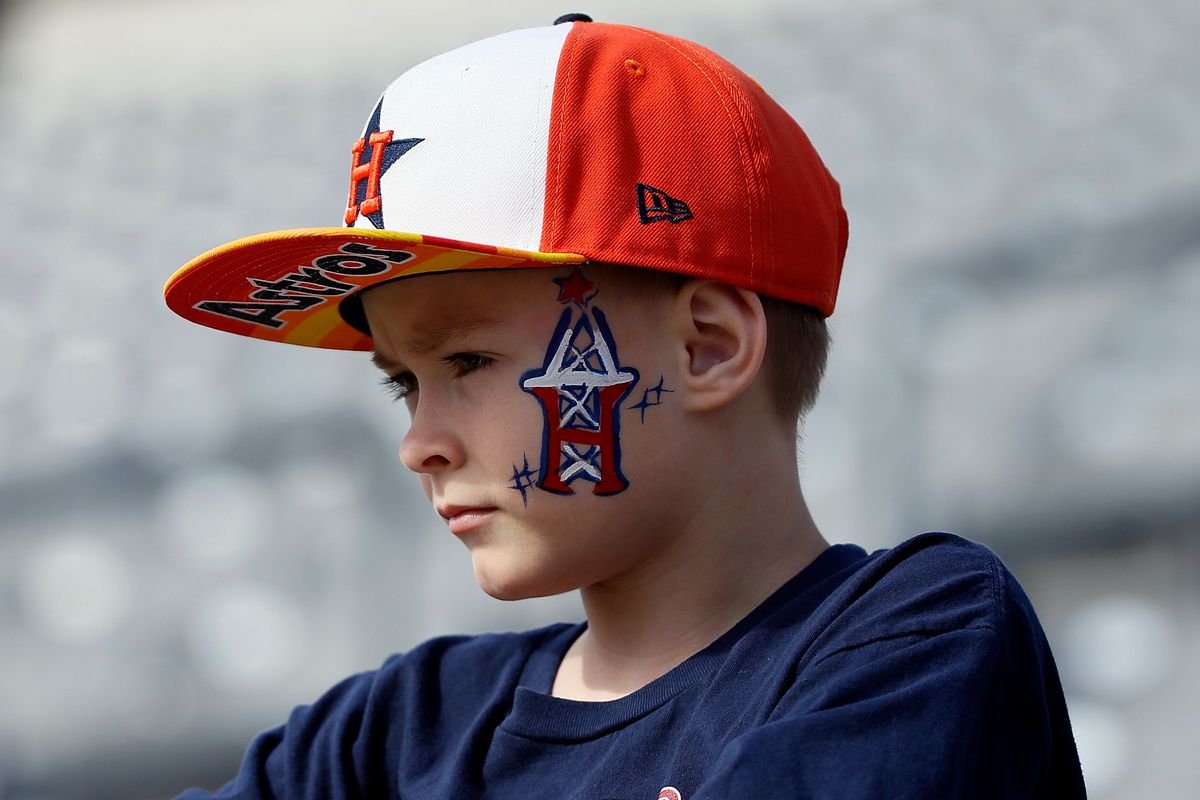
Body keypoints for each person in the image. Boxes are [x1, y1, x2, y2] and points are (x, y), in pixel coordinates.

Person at [163, 13, 1086, 799]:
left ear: (707, 348)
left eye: (469, 359)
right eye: (406, 381)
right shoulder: (394, 732)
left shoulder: (923, 634)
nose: (419, 444)